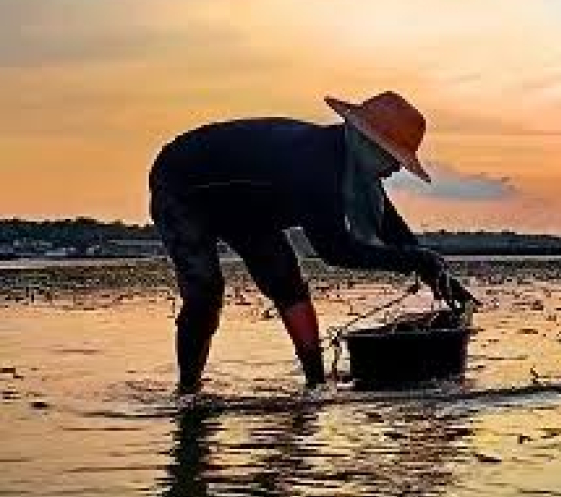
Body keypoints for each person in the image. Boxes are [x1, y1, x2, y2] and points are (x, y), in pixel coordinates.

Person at [148, 91, 474, 392]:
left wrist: (435, 273)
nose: (394, 170)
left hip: (249, 205)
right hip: (182, 184)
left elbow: (393, 232)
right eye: (393, 159)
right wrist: (415, 261)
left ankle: (315, 385)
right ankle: (188, 391)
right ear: (367, 142)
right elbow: (335, 250)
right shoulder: (316, 166)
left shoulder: (355, 171)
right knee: (205, 294)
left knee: (288, 285)